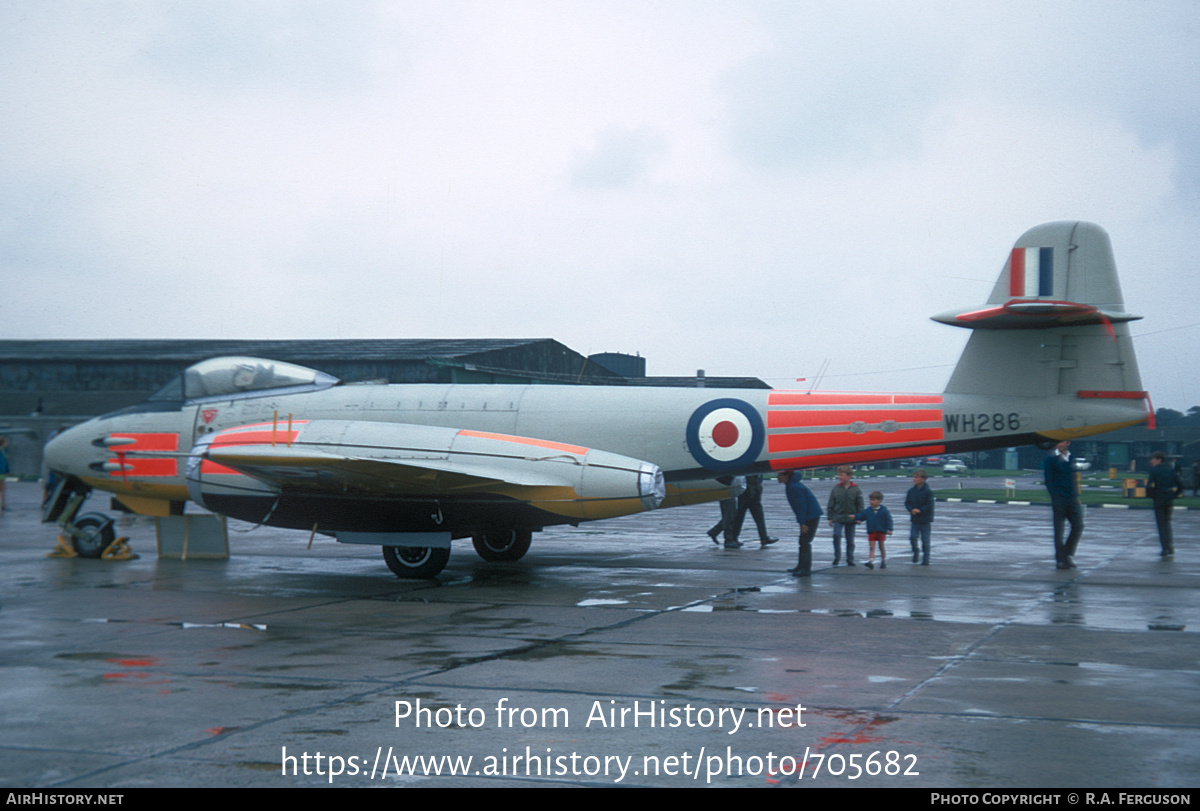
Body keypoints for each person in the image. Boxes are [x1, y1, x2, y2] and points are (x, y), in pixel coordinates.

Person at [1043, 440, 1083, 569]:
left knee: (1078, 526)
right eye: (1058, 442)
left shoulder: (1071, 458)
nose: (1059, 445)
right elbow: (1048, 481)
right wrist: (1055, 497)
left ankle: (1068, 555)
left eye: (1062, 442)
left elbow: (1073, 479)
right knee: (1059, 531)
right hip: (1059, 499)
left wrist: (1076, 496)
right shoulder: (1051, 459)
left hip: (1072, 499)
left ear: (1068, 443)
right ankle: (1060, 560)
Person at [779, 470, 822, 577]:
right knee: (803, 541)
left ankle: (805, 569)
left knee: (805, 542)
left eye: (780, 475)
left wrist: (802, 523)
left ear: (786, 476)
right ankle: (801, 566)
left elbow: (801, 506)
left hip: (810, 516)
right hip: (810, 515)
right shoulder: (792, 485)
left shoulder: (794, 487)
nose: (777, 477)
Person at [1147, 451, 1183, 557]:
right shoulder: (1171, 470)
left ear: (1159, 460)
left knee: (1161, 525)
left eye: (1153, 459)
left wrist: (1153, 496)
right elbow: (1181, 485)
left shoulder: (1154, 470)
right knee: (1167, 524)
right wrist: (1175, 495)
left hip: (1158, 500)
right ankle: (1170, 547)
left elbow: (1149, 486)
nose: (1151, 461)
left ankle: (1164, 549)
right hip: (1169, 499)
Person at [827, 465, 864, 566]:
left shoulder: (856, 489)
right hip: (838, 517)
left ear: (849, 476)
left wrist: (859, 517)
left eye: (842, 475)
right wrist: (830, 517)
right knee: (836, 535)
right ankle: (837, 557)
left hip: (851, 518)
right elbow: (831, 503)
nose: (839, 477)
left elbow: (860, 504)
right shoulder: (836, 489)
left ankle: (850, 559)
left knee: (850, 540)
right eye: (839, 475)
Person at [731, 474, 778, 548]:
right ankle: (733, 537)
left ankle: (764, 537)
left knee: (757, 517)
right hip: (747, 493)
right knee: (740, 517)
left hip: (753, 493)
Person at [855, 490, 893, 569]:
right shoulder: (868, 510)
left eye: (873, 500)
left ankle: (883, 560)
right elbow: (863, 516)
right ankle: (871, 561)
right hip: (872, 530)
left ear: (879, 501)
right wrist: (858, 519)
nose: (871, 502)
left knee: (881, 547)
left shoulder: (884, 510)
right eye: (871, 500)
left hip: (881, 531)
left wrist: (890, 529)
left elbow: (889, 520)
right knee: (872, 547)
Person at [904, 469, 935, 565]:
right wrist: (911, 510)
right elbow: (907, 503)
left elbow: (930, 505)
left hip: (925, 520)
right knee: (913, 537)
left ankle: (926, 559)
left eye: (917, 477)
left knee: (925, 540)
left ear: (923, 479)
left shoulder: (928, 491)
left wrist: (920, 510)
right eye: (914, 477)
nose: (914, 479)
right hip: (915, 519)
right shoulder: (911, 491)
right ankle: (916, 552)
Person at [0, 436, 9, 512]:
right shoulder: (1, 451)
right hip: (0, 472)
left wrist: (7, 470)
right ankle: (3, 505)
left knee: (3, 488)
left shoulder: (3, 450)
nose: (7, 444)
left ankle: (3, 504)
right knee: (3, 488)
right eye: (6, 442)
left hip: (2, 472)